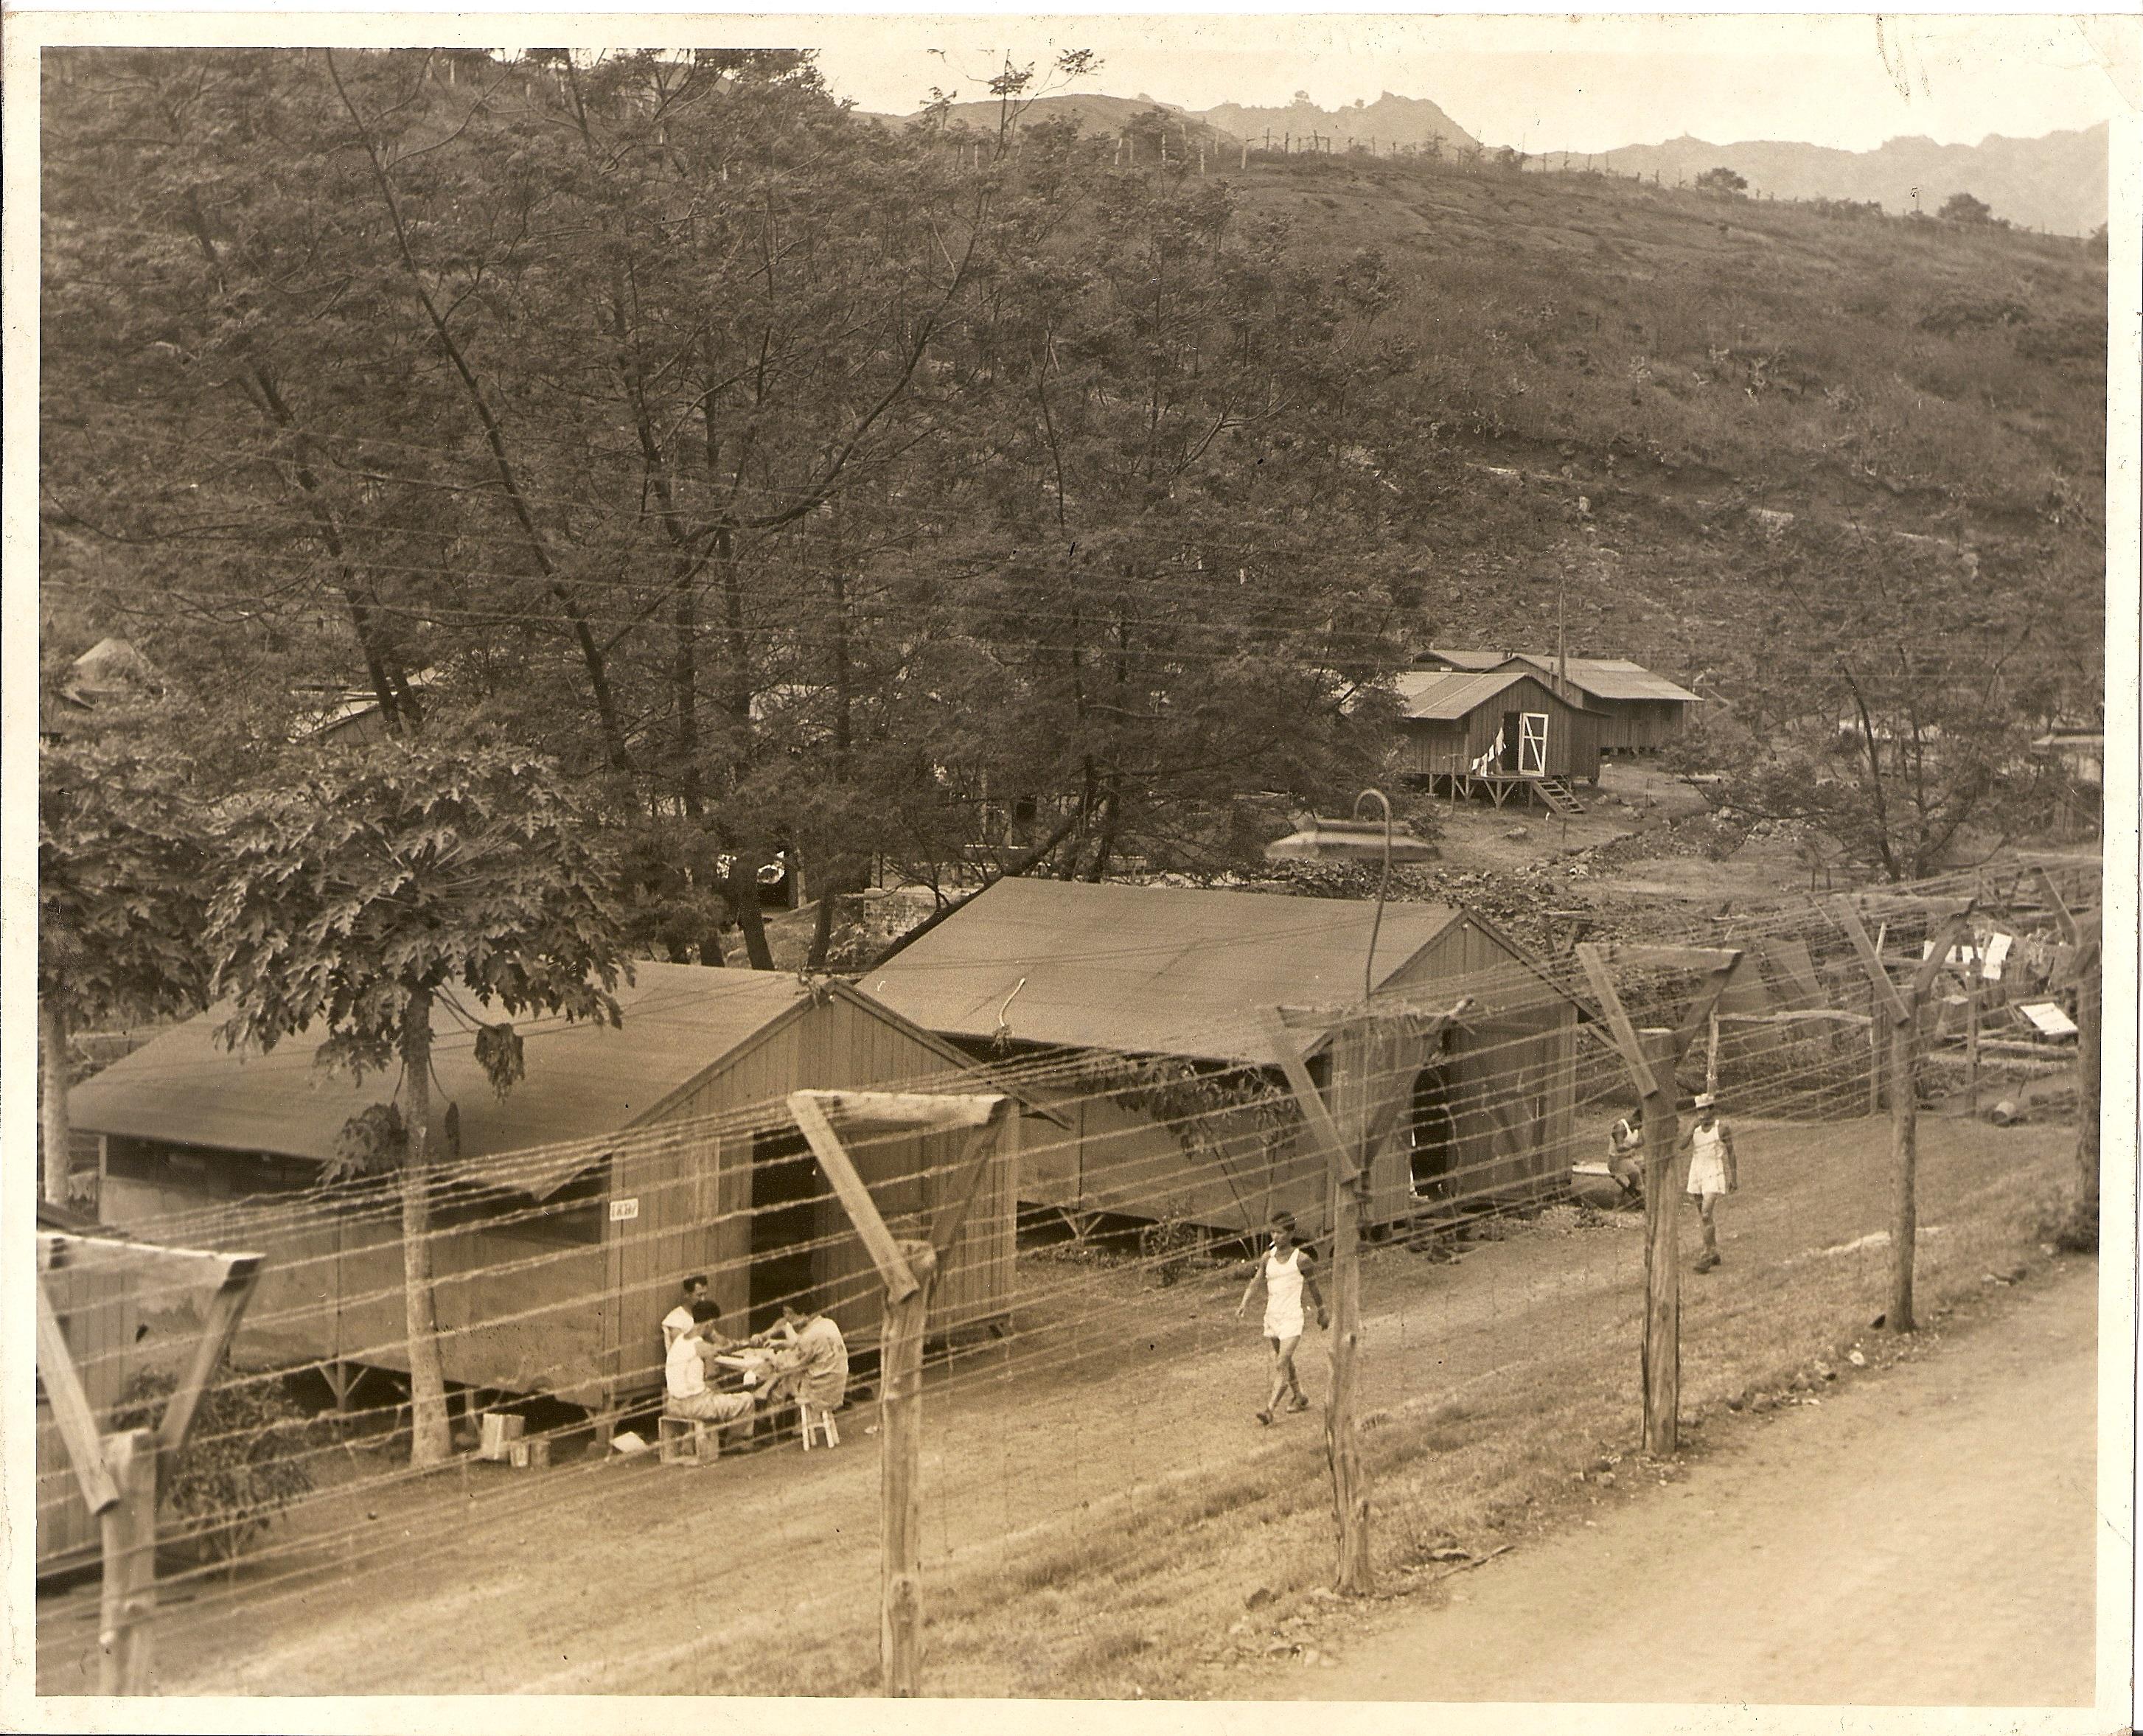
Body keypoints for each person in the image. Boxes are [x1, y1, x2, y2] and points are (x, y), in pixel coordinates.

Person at [1234, 1211, 1327, 1426]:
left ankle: (1269, 1410)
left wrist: (1322, 1311)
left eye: (1281, 1232)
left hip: (1293, 1318)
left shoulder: (1302, 1260)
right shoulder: (1268, 1257)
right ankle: (1300, 1396)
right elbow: (1256, 1281)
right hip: (1273, 1316)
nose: (1276, 1236)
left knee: (1281, 1363)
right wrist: (1244, 1303)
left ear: (1291, 1233)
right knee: (1285, 1361)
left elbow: (1314, 1288)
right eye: (1273, 1231)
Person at [757, 1300, 850, 1435]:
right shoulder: (828, 1324)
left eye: (790, 1313)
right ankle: (771, 1414)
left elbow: (792, 1363)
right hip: (836, 1383)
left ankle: (767, 1421)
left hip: (820, 1389)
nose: (787, 1317)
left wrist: (771, 1356)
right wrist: (783, 1344)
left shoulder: (809, 1336)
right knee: (790, 1373)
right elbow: (808, 1348)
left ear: (803, 1315)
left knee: (785, 1378)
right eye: (785, 1313)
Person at [664, 1300, 757, 1429]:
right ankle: (739, 1443)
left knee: (715, 1394)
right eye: (714, 1325)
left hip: (673, 1404)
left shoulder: (679, 1340)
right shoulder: (703, 1347)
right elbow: (713, 1376)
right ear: (710, 1323)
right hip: (693, 1407)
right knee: (747, 1399)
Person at [1682, 1093, 1738, 1272]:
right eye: (1699, 1110)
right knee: (1704, 1216)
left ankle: (1705, 1254)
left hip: (1714, 1172)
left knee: (1706, 1213)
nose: (1702, 1113)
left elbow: (1731, 1152)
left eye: (1706, 1109)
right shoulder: (1695, 1128)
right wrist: (1690, 1129)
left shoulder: (1721, 1129)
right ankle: (1713, 1250)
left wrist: (1734, 1178)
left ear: (1712, 1109)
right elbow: (1681, 1146)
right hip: (1697, 1171)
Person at [662, 1275, 711, 1350]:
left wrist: (728, 1344)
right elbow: (682, 1348)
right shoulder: (675, 1318)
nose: (703, 1299)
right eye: (699, 1295)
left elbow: (715, 1336)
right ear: (687, 1294)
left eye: (705, 1294)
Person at [1606, 1113, 1645, 1202]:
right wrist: (1634, 1146)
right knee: (1635, 1171)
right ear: (1636, 1120)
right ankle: (1641, 1197)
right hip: (1616, 1161)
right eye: (1641, 1123)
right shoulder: (1620, 1127)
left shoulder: (1635, 1129)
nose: (1641, 1127)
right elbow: (1619, 1148)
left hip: (1628, 1159)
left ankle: (1637, 1194)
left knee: (1646, 1166)